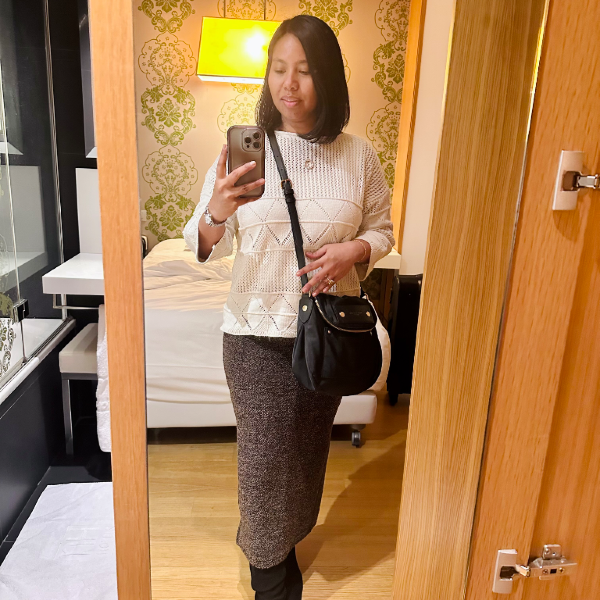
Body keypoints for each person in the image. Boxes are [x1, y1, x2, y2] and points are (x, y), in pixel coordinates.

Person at [183, 14, 394, 600]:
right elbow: (200, 243)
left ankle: (284, 538)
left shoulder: (358, 156)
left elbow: (382, 231)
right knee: (264, 459)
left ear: (327, 78)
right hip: (254, 334)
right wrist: (218, 210)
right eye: (279, 69)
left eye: (304, 70)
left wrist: (354, 250)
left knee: (305, 452)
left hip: (327, 330)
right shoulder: (243, 152)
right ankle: (268, 571)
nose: (289, 84)